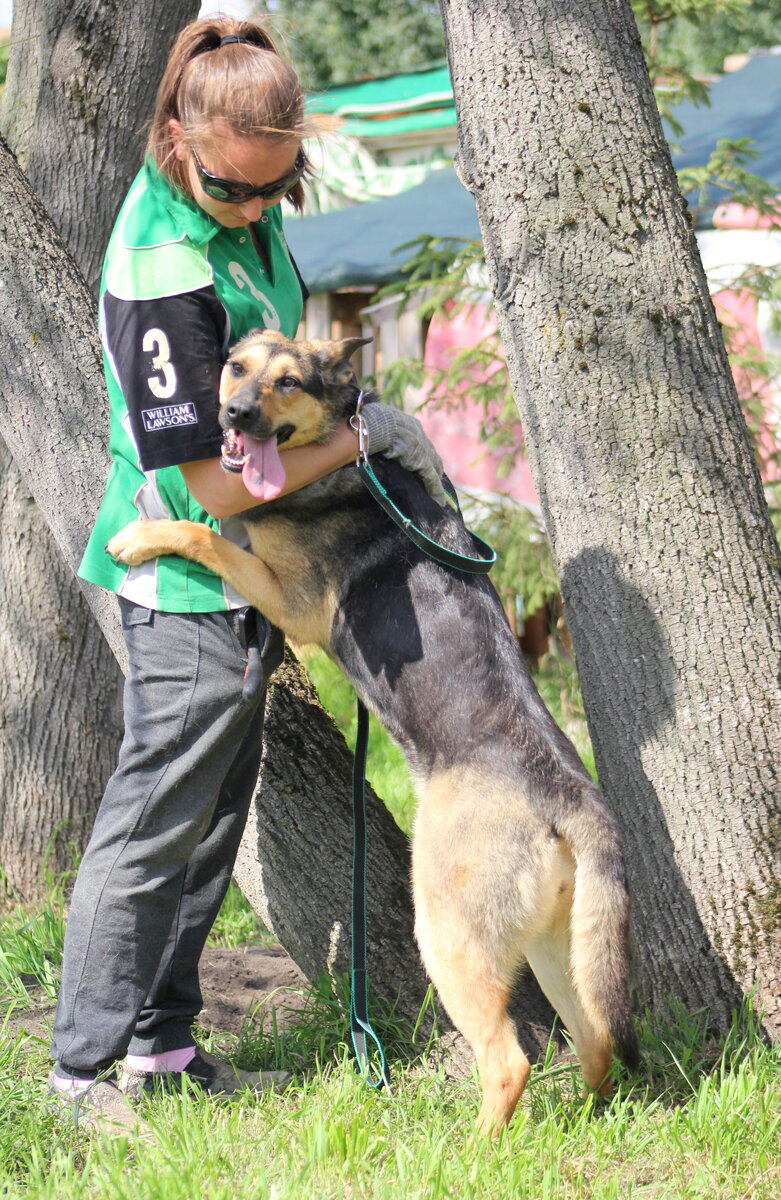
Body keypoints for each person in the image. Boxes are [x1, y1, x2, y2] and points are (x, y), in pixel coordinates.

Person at [50, 16, 444, 1137]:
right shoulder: (165, 267)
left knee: (211, 820)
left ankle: (161, 1052)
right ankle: (79, 1081)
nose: (258, 210)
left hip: (248, 575)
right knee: (149, 828)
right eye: (235, 188)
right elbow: (216, 490)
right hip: (186, 581)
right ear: (177, 141)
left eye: (280, 188)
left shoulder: (240, 209)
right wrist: (366, 441)